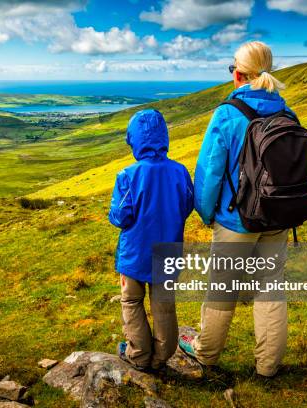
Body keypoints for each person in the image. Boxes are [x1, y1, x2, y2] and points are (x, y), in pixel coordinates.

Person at [178, 41, 292, 378]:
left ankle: (206, 356)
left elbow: (210, 172)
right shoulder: (287, 112)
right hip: (277, 216)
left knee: (221, 288)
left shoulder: (228, 113)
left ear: (238, 74)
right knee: (271, 287)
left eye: (232, 69)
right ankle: (268, 368)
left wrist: (206, 213)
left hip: (236, 220)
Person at [109, 109, 194, 372]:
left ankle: (139, 356)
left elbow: (120, 216)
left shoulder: (127, 175)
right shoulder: (180, 172)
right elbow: (187, 205)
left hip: (134, 253)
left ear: (133, 139)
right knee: (164, 305)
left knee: (132, 302)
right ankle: (161, 356)